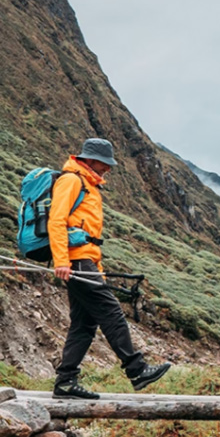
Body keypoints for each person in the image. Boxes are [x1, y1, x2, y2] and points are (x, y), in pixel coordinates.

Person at [50, 138, 171, 399]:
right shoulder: (71, 180)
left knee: (84, 324)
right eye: (105, 164)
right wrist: (61, 261)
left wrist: (97, 267)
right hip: (76, 261)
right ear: (90, 160)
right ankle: (137, 370)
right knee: (111, 312)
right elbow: (56, 221)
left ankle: (65, 382)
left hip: (85, 261)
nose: (108, 169)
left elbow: (87, 233)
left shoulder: (88, 185)